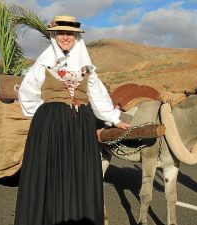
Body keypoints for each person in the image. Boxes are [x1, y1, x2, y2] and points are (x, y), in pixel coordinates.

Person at [15, 15, 130, 225]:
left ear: (76, 37)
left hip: (81, 125)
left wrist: (114, 118)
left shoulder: (86, 67)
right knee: (52, 173)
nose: (65, 37)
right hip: (51, 125)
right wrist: (46, 114)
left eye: (70, 33)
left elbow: (97, 94)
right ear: (55, 35)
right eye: (61, 33)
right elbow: (27, 92)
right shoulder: (43, 63)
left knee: (79, 173)